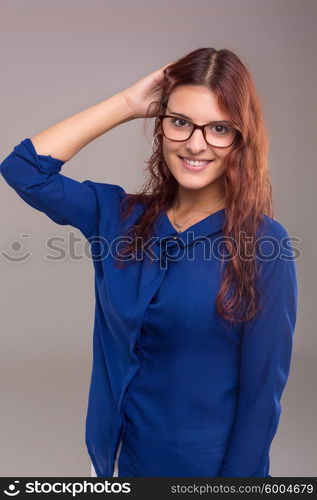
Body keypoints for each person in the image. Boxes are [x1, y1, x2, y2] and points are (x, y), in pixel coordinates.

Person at [0, 47, 298, 477]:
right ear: (160, 125)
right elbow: (23, 169)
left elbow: (260, 398)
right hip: (115, 462)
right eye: (180, 122)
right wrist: (126, 104)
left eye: (219, 128)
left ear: (240, 138)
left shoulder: (265, 244)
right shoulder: (116, 217)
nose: (196, 144)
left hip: (203, 472)